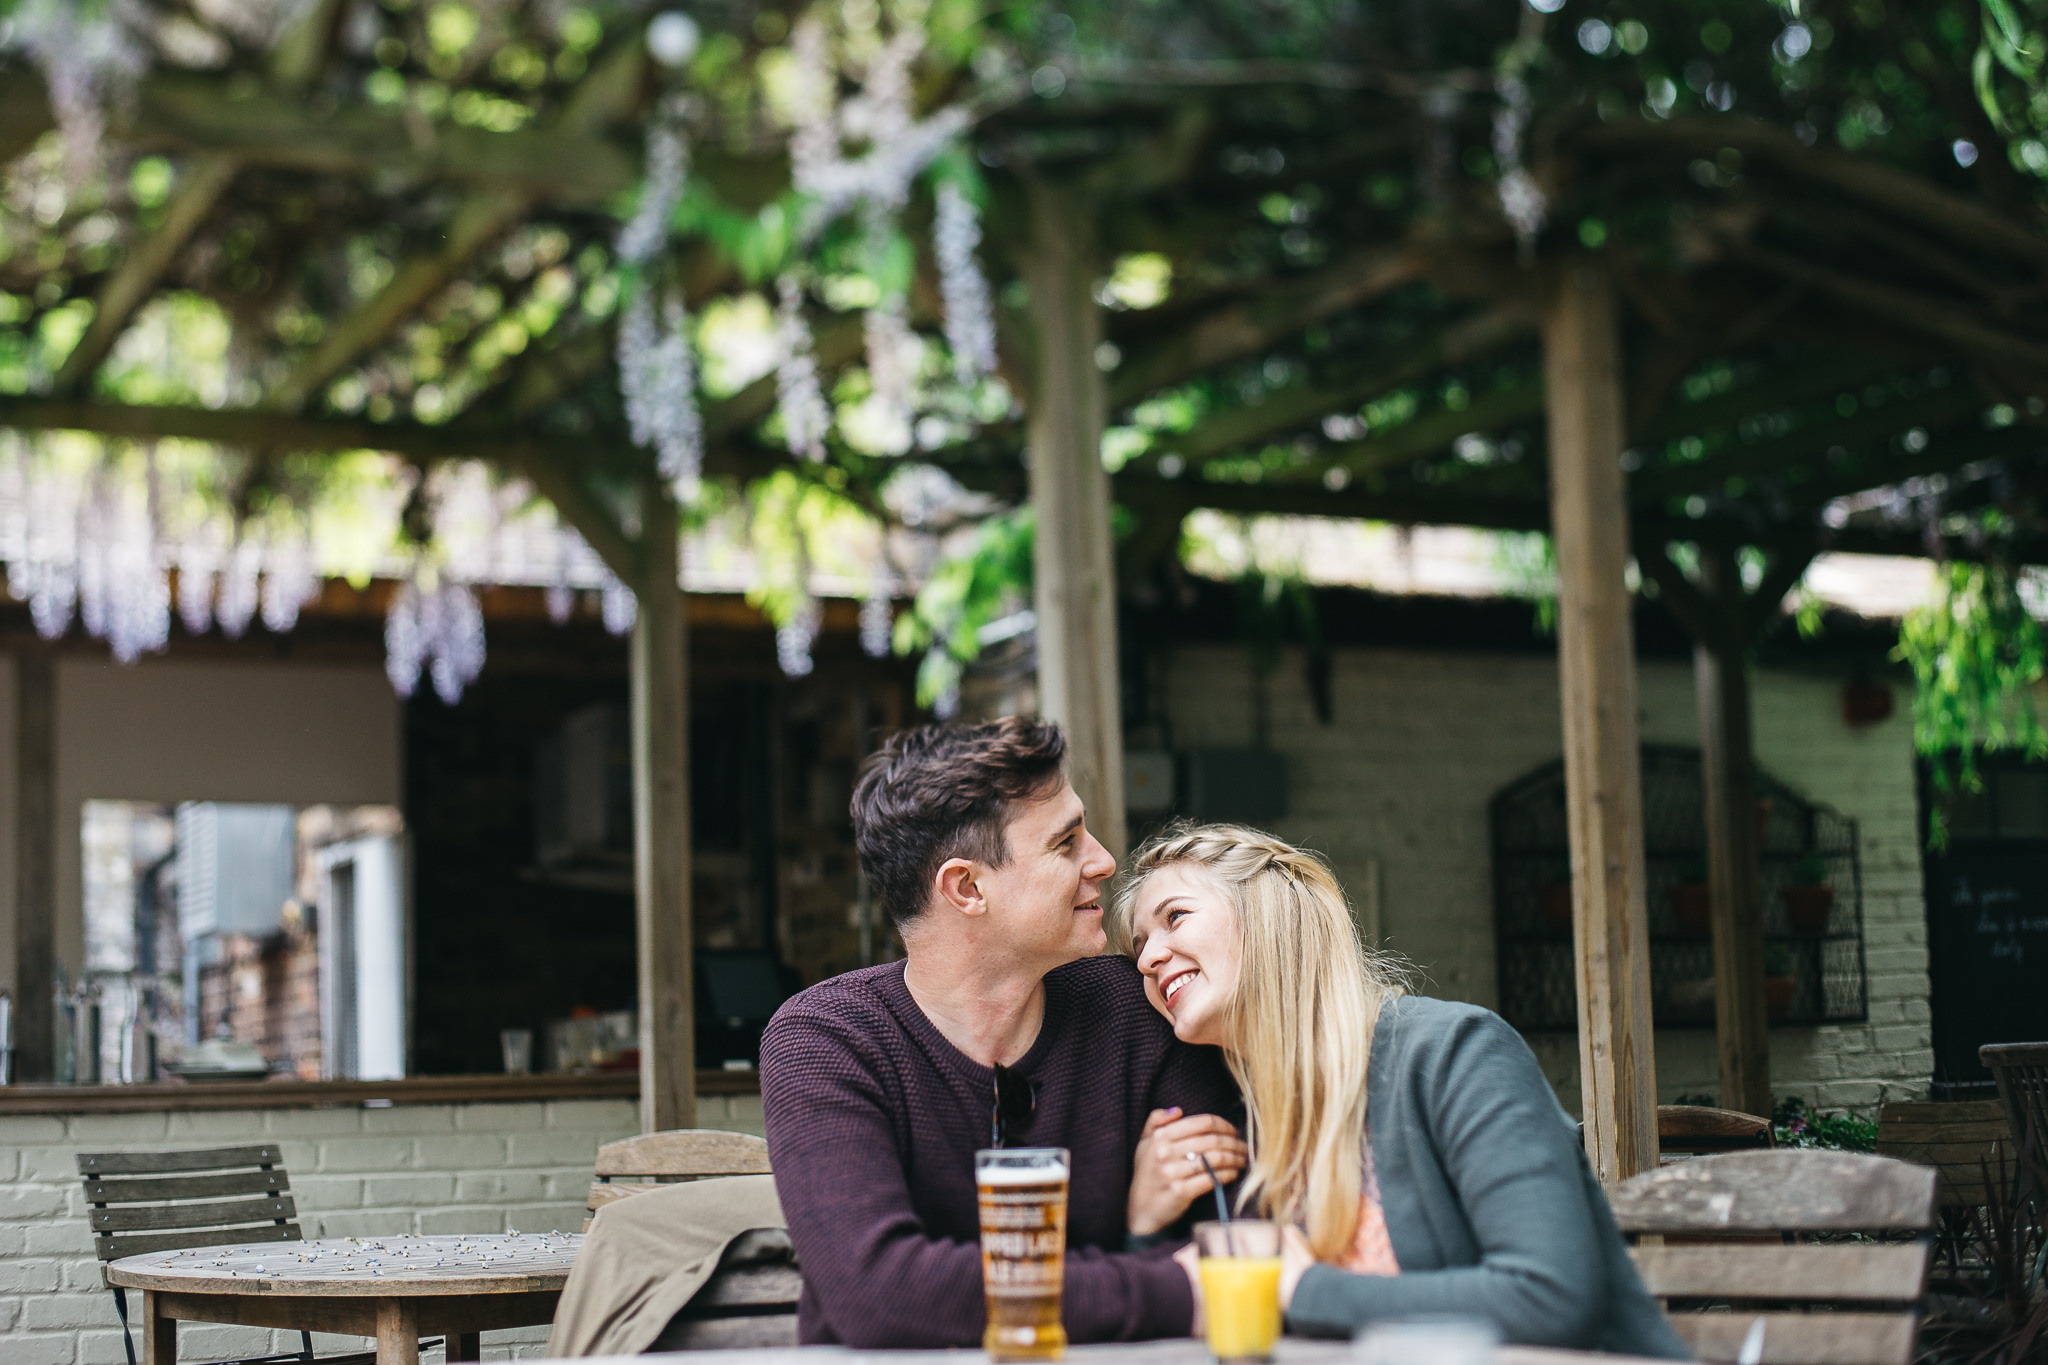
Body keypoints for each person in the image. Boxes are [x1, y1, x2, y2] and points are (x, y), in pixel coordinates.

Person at [760, 718, 1248, 1348]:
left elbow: (1245, 1242)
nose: (1103, 860)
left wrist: (1142, 1238)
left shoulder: (1135, 1011)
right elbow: (882, 1293)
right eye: (1065, 843)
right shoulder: (827, 1042)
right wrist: (1165, 1285)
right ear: (967, 888)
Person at [1118, 822, 1689, 1357]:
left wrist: (1304, 1290)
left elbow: (1550, 1297)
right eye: (1139, 944)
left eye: (1175, 917)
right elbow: (1206, 1326)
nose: (1147, 958)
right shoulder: (1242, 1120)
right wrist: (1144, 1226)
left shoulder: (1453, 1054)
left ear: (1269, 914)